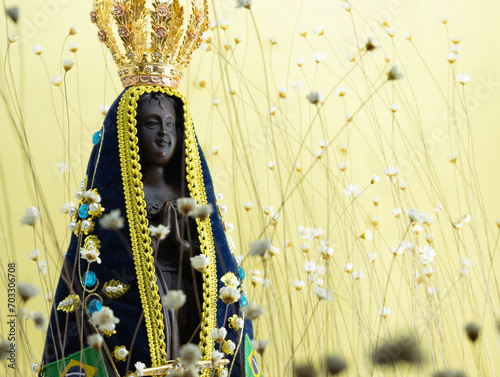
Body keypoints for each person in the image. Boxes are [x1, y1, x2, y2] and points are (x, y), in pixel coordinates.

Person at [40, 1, 258, 375]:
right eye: (152, 124)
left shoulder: (189, 191)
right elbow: (105, 265)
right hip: (141, 302)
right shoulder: (117, 194)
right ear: (129, 131)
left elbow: (215, 262)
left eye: (170, 124)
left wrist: (185, 247)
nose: (163, 135)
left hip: (189, 298)